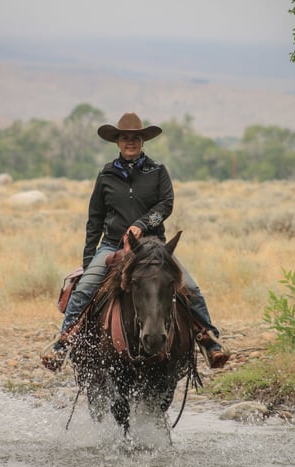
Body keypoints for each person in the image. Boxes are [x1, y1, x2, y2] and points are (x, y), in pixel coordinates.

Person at [41, 112, 230, 371]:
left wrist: (142, 224)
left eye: (135, 138)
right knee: (85, 288)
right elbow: (94, 219)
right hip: (112, 246)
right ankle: (63, 343)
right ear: (117, 142)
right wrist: (88, 260)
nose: (130, 142)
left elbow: (166, 204)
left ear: (143, 141)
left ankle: (209, 340)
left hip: (154, 247)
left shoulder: (158, 171)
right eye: (125, 138)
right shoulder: (106, 175)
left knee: (192, 289)